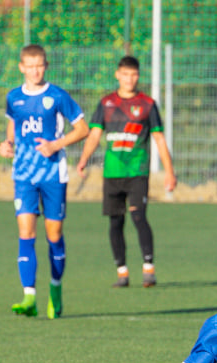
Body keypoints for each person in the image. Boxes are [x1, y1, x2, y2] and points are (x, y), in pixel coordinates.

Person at [0, 44, 88, 319]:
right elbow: (12, 126)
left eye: (40, 65)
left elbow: (83, 129)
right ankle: (29, 296)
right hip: (24, 175)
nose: (35, 71)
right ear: (21, 67)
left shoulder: (58, 96)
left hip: (53, 174)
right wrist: (8, 144)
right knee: (26, 232)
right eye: (30, 66)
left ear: (46, 66)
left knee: (54, 235)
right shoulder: (13, 97)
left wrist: (56, 144)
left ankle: (56, 289)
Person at [76, 56, 177, 289]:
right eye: (125, 74)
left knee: (138, 216)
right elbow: (94, 135)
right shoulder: (106, 103)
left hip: (137, 172)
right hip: (112, 173)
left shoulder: (147, 104)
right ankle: (122, 272)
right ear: (117, 74)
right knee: (115, 222)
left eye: (133, 74)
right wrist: (83, 160)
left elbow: (159, 139)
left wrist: (170, 173)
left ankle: (148, 268)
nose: (129, 79)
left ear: (138, 76)